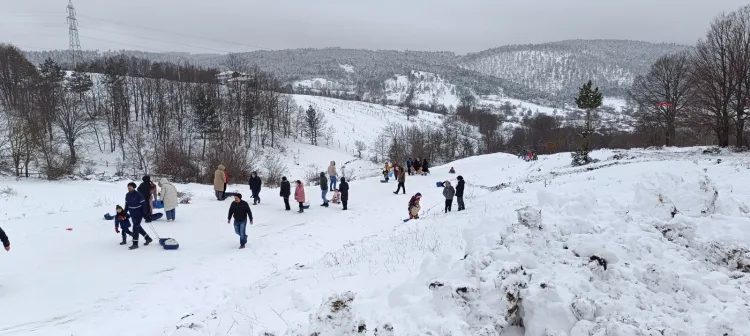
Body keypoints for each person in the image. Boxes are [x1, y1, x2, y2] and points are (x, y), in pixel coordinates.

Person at [125, 182, 153, 249]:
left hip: (138, 213)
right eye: (128, 186)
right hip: (132, 213)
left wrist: (145, 214)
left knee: (135, 227)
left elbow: (144, 205)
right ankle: (148, 238)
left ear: (134, 187)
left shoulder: (139, 195)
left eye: (130, 186)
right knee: (137, 227)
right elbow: (127, 204)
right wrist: (124, 212)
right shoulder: (127, 195)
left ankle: (135, 244)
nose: (129, 188)